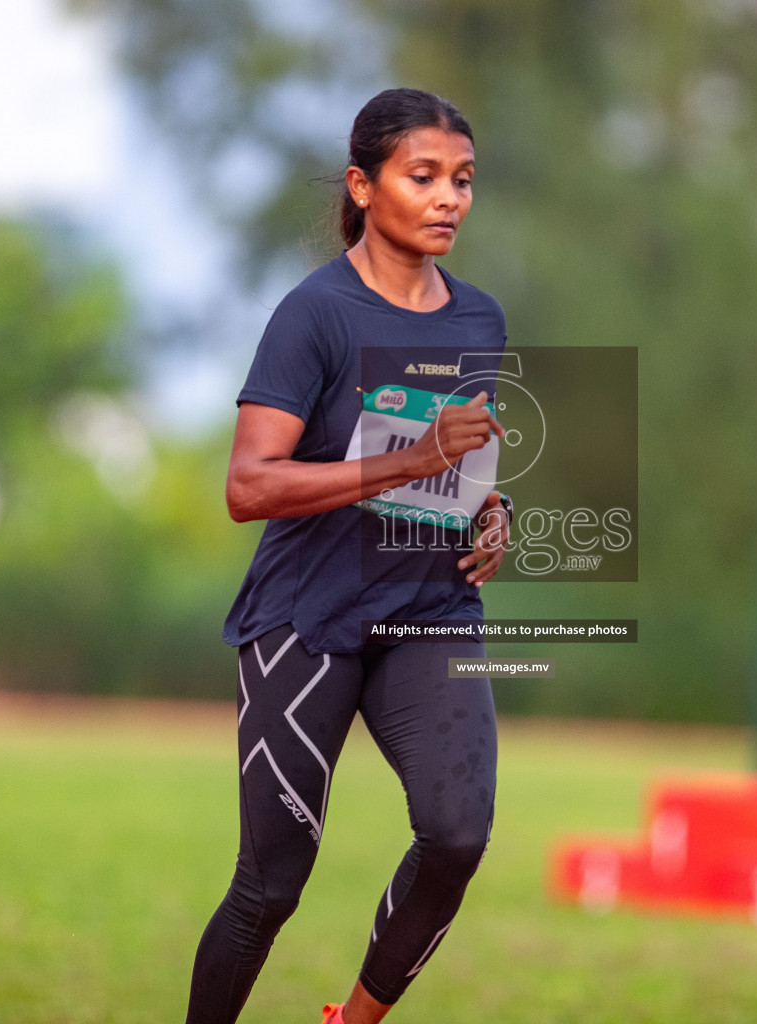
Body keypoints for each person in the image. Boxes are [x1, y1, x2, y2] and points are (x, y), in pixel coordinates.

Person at [184, 88, 511, 1024]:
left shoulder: (479, 321)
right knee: (272, 885)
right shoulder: (313, 316)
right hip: (308, 617)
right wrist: (409, 458)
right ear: (365, 188)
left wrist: (491, 512)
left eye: (463, 180)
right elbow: (250, 486)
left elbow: (459, 464)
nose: (449, 198)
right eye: (424, 178)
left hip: (426, 609)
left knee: (456, 836)